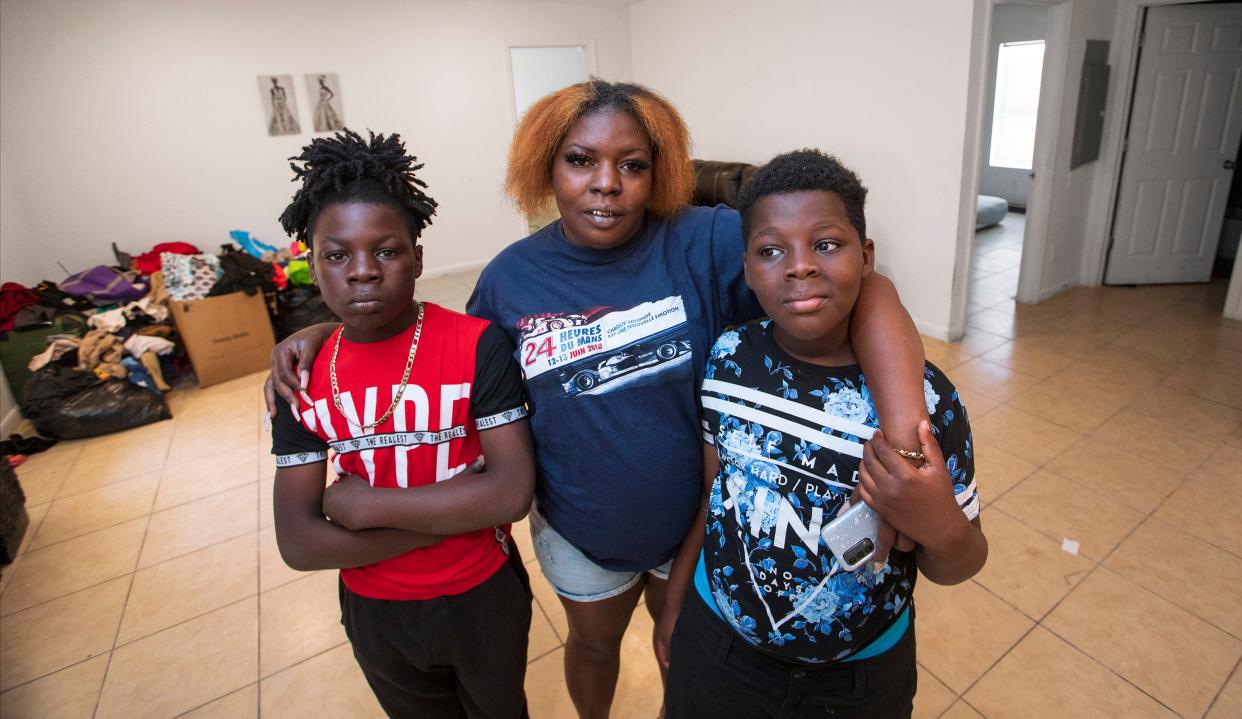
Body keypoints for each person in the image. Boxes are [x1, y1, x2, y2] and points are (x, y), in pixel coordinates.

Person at [267, 81, 928, 719]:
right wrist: (334, 329)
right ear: (546, 166)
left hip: (696, 525)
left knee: (682, 650)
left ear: (657, 171)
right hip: (580, 531)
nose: (606, 183)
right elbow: (443, 344)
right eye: (581, 160)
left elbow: (867, 288)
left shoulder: (707, 238)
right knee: (592, 645)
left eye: (631, 165)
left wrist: (903, 435)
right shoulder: (509, 279)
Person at [659, 149, 988, 718]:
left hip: (859, 678)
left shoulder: (929, 402)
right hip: (719, 649)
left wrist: (938, 523)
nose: (799, 266)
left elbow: (959, 564)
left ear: (866, 258)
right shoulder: (730, 358)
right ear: (747, 268)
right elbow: (716, 498)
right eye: (771, 251)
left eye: (826, 244)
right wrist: (677, 602)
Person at [268, 129, 537, 719]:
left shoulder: (475, 345)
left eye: (386, 251)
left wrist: (370, 509)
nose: (363, 272)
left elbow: (511, 492)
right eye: (337, 255)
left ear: (418, 254)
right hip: (376, 609)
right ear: (313, 266)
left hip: (481, 593)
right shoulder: (301, 378)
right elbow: (299, 541)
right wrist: (448, 521)